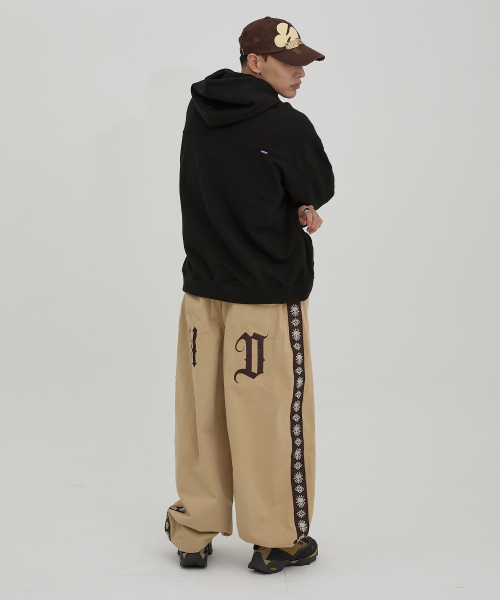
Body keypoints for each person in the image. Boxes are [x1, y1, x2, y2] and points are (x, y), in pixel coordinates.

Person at [164, 16, 335, 574]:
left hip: (202, 292)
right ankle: (276, 538)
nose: (300, 73)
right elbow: (318, 186)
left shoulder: (199, 109)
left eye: (303, 64)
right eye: (289, 63)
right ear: (255, 62)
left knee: (202, 417)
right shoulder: (286, 125)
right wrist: (302, 204)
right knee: (269, 419)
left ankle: (193, 531)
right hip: (265, 296)